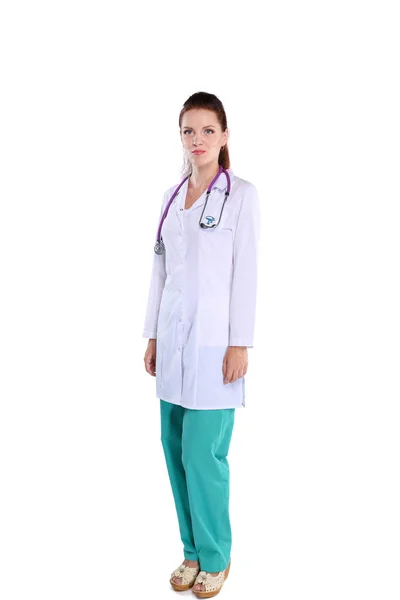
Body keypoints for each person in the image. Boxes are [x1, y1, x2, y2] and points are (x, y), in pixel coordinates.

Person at [142, 91, 260, 597]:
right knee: (174, 451)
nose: (198, 140)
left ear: (225, 136)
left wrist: (240, 343)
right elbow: (160, 270)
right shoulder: (172, 197)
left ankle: (216, 557)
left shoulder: (242, 195)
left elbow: (247, 273)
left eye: (208, 130)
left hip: (215, 348)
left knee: (203, 456)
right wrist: (151, 334)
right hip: (171, 345)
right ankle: (190, 551)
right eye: (189, 131)